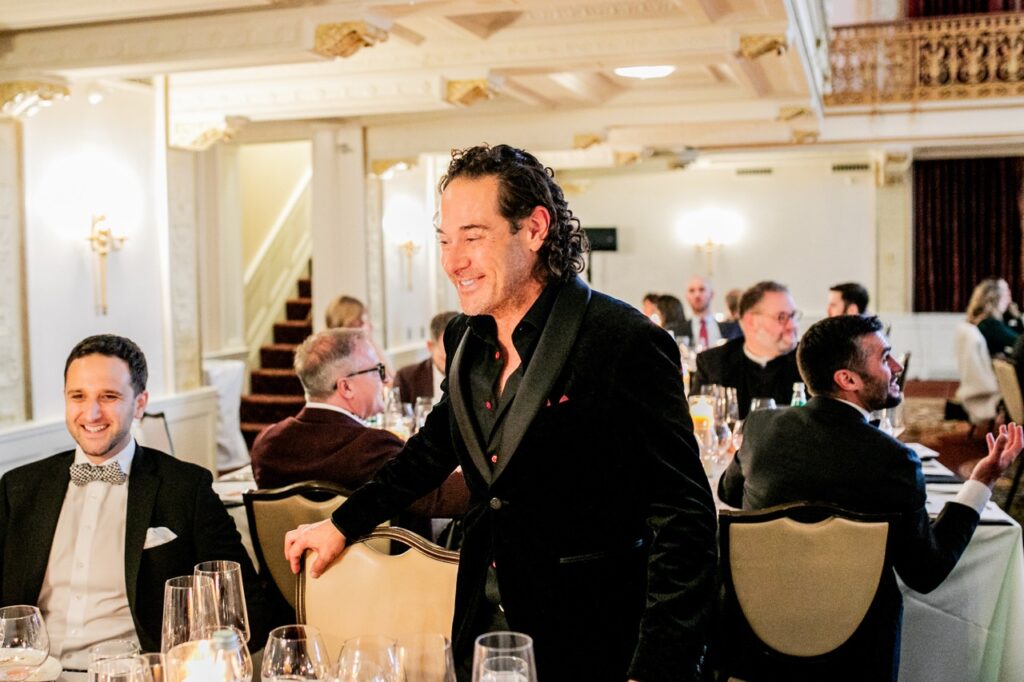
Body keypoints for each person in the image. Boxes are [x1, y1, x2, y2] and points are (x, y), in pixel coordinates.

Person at [284, 143, 717, 681]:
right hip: (482, 629)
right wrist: (343, 523)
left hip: (592, 635)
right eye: (445, 240)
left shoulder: (623, 341)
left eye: (473, 237)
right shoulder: (464, 336)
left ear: (534, 229)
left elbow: (684, 518)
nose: (452, 261)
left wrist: (657, 668)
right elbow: (431, 449)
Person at [718, 315, 1022, 679]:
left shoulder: (760, 427)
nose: (897, 367)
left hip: (756, 640)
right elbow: (925, 572)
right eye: (885, 357)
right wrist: (982, 480)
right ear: (847, 380)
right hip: (858, 653)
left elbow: (728, 492)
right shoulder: (894, 459)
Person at [0, 334, 267, 671]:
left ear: (140, 404)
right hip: (27, 671)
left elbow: (245, 605)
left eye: (109, 396)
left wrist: (195, 664)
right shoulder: (19, 488)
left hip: (135, 672)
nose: (91, 413)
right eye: (78, 396)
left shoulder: (186, 488)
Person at [250, 327, 469, 525]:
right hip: (380, 558)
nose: (387, 379)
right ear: (346, 387)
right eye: (378, 370)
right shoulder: (370, 447)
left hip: (287, 557)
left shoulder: (267, 443)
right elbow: (444, 498)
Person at [690, 280, 803, 418]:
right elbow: (698, 421)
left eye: (793, 316)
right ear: (751, 322)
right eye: (782, 317)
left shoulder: (809, 361)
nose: (792, 325)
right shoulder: (714, 364)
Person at [394, 311, 458, 404]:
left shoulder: (475, 375)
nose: (453, 365)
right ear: (430, 346)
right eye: (446, 359)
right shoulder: (406, 378)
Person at [966, 277, 1019, 357]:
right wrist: (1017, 318)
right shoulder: (990, 324)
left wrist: (1015, 317)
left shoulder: (982, 320)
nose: (1009, 299)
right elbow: (1020, 343)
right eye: (1006, 294)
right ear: (994, 297)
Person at [685, 275, 741, 348]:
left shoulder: (732, 328)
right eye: (692, 290)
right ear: (687, 296)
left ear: (711, 294)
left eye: (702, 289)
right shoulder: (678, 330)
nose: (697, 295)